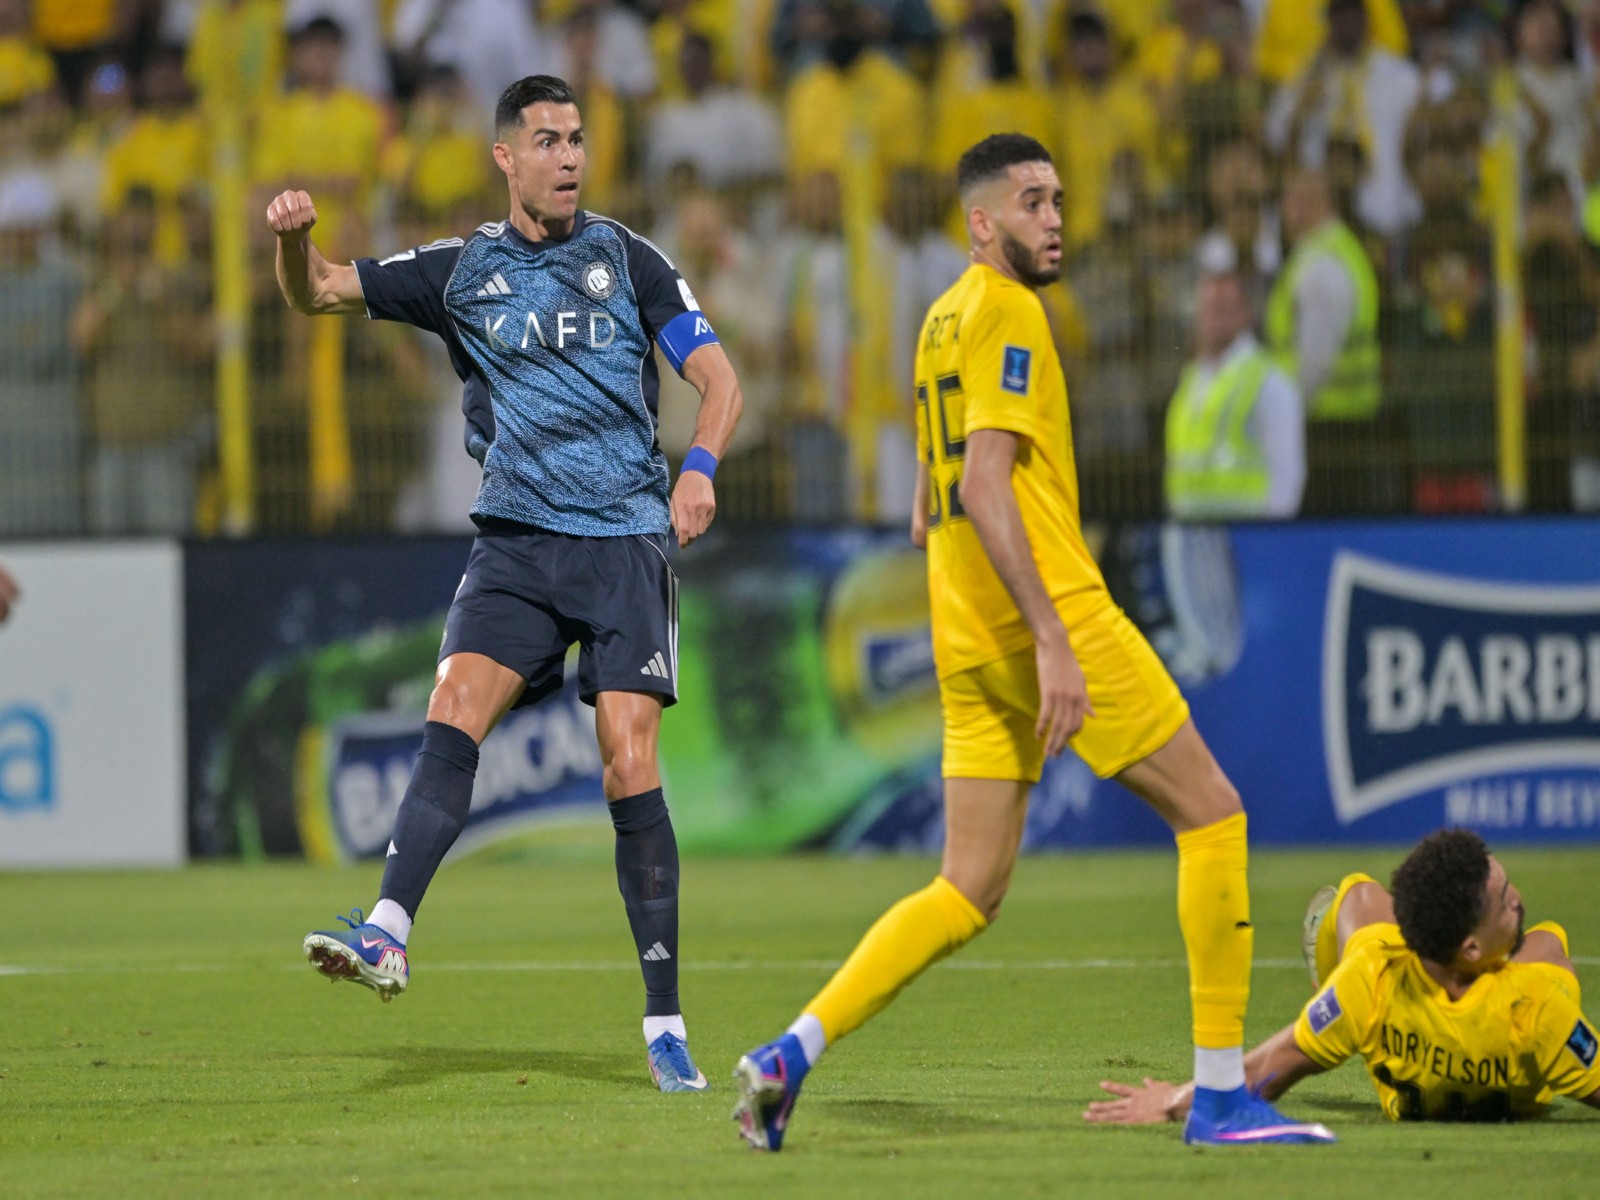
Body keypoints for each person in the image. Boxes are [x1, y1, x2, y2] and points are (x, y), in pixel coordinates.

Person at [730, 133, 1334, 1151]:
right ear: (981, 223)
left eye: (1057, 198)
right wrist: (1055, 641)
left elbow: (939, 484)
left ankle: (790, 1053)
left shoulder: (940, 320)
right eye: (1030, 201)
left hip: (964, 636)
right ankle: (1224, 1095)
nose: (1053, 217)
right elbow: (982, 481)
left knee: (965, 889)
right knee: (1214, 817)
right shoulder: (1010, 310)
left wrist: (942, 512)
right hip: (1049, 617)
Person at [269, 73, 743, 1093]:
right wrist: (286, 237)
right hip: (518, 543)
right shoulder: (460, 272)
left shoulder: (629, 259)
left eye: (577, 138)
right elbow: (317, 290)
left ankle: (664, 1022)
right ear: (506, 158)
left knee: (626, 757)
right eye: (547, 139)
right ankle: (389, 930)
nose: (569, 156)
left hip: (621, 540)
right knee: (452, 705)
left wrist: (698, 467)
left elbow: (719, 378)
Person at [1085, 828, 1600, 1124]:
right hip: (1520, 1028)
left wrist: (1174, 1101)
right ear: (1471, 948)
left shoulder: (1370, 980)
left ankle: (1329, 973)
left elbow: (1256, 1071)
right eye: (1505, 897)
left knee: (1358, 895)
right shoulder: (1539, 1005)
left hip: (1378, 997)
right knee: (1549, 940)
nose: (1518, 898)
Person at [1164, 270, 1304, 520]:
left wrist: (1267, 541)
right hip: (1187, 534)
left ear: (1246, 313)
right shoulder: (1191, 379)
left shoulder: (1270, 382)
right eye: (1208, 307)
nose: (1214, 316)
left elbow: (1286, 478)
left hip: (1246, 538)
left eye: (1225, 306)